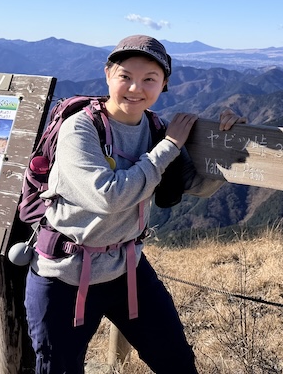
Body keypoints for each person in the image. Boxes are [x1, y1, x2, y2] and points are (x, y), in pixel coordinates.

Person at [24, 34, 245, 374]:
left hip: (127, 268)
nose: (135, 88)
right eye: (125, 76)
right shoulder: (80, 128)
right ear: (107, 75)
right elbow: (108, 196)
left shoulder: (155, 128)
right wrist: (169, 147)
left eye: (149, 80)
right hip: (65, 274)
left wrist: (226, 146)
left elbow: (195, 184)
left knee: (177, 362)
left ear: (164, 84)